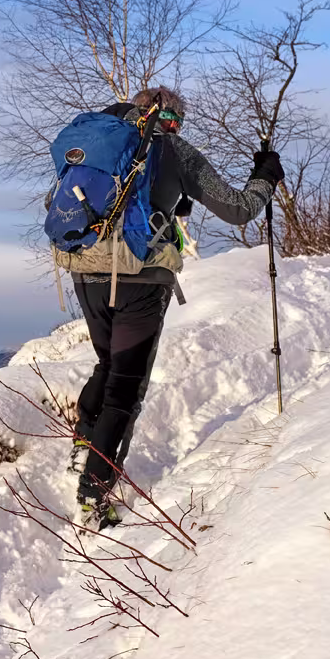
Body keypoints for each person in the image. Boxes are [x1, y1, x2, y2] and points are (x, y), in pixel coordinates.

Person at [63, 86, 283, 528]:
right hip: (141, 280)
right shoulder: (175, 150)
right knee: (127, 385)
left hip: (86, 270)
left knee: (108, 363)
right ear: (171, 119)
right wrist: (266, 175)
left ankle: (84, 446)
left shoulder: (96, 144)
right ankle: (93, 493)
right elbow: (239, 210)